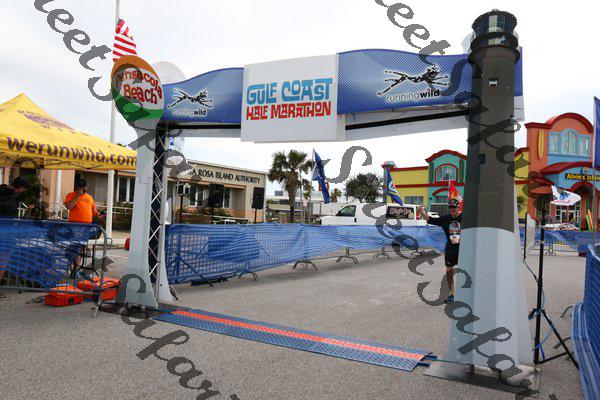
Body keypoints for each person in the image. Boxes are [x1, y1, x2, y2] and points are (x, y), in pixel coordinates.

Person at [418, 198, 462, 304]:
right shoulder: (446, 219)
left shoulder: (465, 218)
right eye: (450, 207)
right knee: (449, 271)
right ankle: (452, 294)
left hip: (464, 248)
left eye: (454, 207)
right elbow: (430, 219)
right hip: (451, 248)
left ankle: (467, 294)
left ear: (458, 207)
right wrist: (422, 212)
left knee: (467, 270)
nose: (452, 209)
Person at [0, 176, 30, 299]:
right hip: (5, 233)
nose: (23, 192)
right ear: (20, 187)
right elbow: (9, 219)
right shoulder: (11, 201)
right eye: (23, 189)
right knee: (3, 259)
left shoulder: (2, 188)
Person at [64, 179, 101, 274]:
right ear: (77, 187)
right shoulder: (71, 195)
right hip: (75, 225)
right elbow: (69, 207)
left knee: (81, 246)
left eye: (84, 187)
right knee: (75, 246)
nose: (83, 189)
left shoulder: (89, 197)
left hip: (87, 226)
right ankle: (73, 266)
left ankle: (75, 268)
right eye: (81, 187)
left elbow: (92, 209)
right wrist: (77, 196)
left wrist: (98, 214)